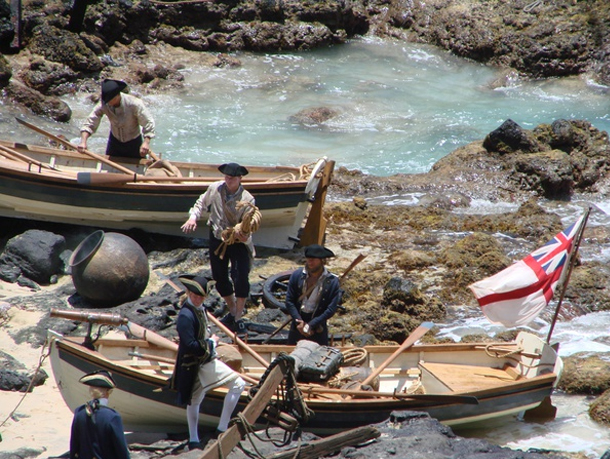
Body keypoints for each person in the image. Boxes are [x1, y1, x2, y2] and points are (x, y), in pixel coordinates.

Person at [171, 275, 246, 450]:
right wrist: (212, 342)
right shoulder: (185, 316)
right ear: (189, 293)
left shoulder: (200, 309)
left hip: (205, 360)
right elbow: (190, 346)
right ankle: (196, 437)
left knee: (237, 384)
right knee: (195, 400)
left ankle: (219, 428)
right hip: (195, 363)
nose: (198, 299)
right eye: (195, 296)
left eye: (201, 297)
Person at [181, 162, 255, 333]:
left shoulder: (248, 199)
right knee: (219, 276)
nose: (228, 181)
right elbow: (201, 203)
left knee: (240, 276)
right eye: (226, 177)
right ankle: (232, 308)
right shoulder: (215, 188)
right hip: (217, 237)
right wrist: (193, 218)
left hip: (237, 241)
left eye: (232, 178)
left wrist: (242, 236)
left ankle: (238, 315)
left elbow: (247, 226)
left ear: (240, 179)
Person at [78, 79, 155, 158]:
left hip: (133, 143)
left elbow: (148, 122)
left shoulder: (134, 104)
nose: (108, 103)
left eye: (110, 100)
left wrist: (146, 142)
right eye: (106, 100)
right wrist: (83, 141)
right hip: (115, 142)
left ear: (118, 95)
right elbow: (90, 122)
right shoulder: (104, 104)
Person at [284, 244, 342, 346]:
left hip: (318, 326)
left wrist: (311, 325)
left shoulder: (332, 281)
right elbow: (289, 301)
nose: (310, 262)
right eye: (308, 259)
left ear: (322, 260)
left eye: (313, 259)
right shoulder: (297, 276)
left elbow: (330, 309)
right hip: (298, 324)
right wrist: (299, 322)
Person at [70, 370, 130, 459]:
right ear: (108, 392)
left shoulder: (79, 412)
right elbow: (121, 451)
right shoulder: (112, 417)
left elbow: (74, 446)